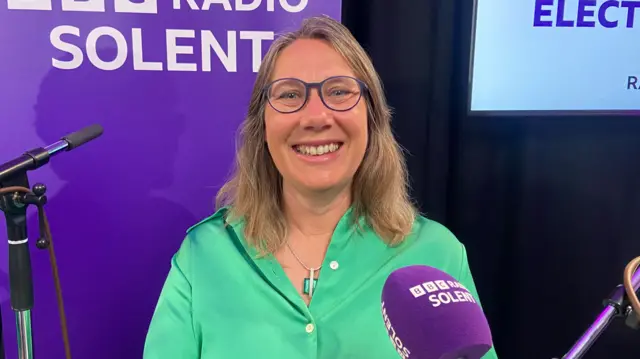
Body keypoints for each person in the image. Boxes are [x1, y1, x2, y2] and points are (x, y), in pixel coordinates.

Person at [143, 15, 498, 359]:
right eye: (289, 95)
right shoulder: (203, 256)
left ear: (372, 119)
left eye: (339, 91)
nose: (315, 117)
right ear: (263, 126)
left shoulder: (437, 254)